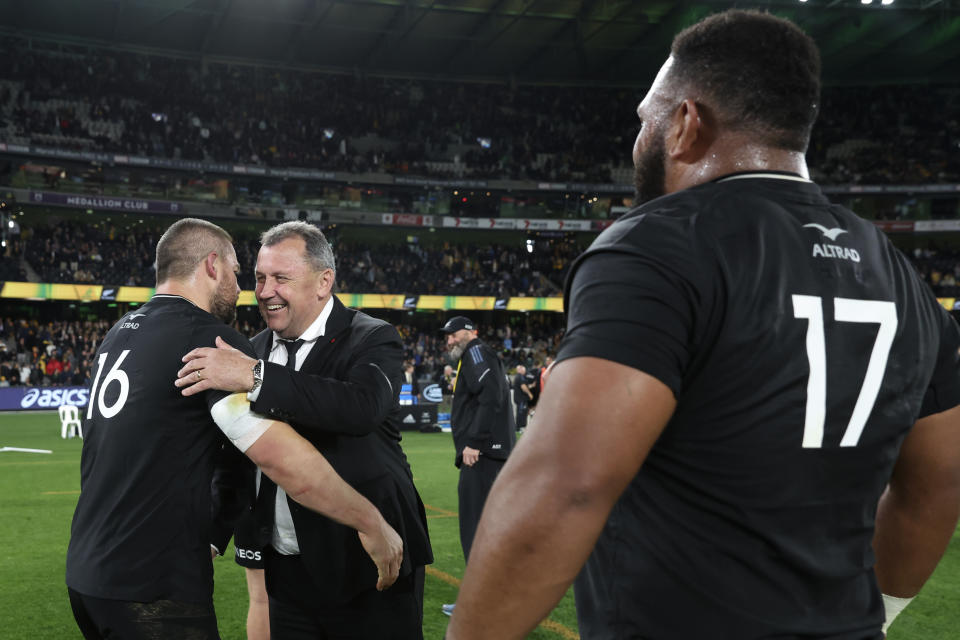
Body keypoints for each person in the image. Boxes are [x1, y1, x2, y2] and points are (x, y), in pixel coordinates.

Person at [446, 10, 960, 640]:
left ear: (686, 124)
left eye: (645, 120)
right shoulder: (903, 275)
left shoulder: (655, 246)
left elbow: (565, 486)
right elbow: (938, 483)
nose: (639, 139)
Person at [66, 218, 403, 640]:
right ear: (213, 266)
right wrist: (370, 520)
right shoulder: (211, 341)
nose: (252, 290)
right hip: (154, 584)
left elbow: (215, 453)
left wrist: (212, 533)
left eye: (278, 278)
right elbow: (281, 460)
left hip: (88, 571)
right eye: (245, 274)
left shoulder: (119, 333)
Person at [175, 221, 432, 639]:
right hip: (288, 573)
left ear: (323, 282)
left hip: (370, 561)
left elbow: (360, 409)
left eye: (281, 278)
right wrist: (212, 535)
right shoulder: (251, 350)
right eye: (259, 277)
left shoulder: (372, 338)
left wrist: (257, 379)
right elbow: (239, 459)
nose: (264, 290)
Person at [439, 316, 515, 617]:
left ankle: (479, 603)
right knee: (487, 528)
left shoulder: (477, 353)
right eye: (447, 337)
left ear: (470, 332)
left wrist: (475, 442)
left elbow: (490, 396)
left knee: (476, 528)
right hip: (488, 453)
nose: (449, 341)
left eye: (453, 334)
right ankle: (493, 597)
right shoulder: (476, 355)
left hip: (481, 455)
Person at [511, 364, 533, 433]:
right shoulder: (520, 377)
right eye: (524, 370)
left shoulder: (519, 377)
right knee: (521, 413)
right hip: (521, 399)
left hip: (519, 398)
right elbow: (523, 387)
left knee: (521, 412)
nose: (525, 372)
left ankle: (519, 427)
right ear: (520, 370)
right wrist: (530, 394)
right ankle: (520, 428)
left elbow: (525, 385)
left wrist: (532, 385)